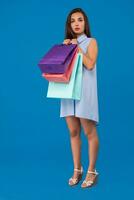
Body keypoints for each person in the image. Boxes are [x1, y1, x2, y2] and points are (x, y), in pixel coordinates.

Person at [60, 8, 100, 188]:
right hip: (68, 93)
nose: (76, 23)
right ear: (69, 25)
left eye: (80, 20)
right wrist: (63, 50)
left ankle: (92, 170)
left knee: (89, 132)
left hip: (85, 93)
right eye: (73, 21)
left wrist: (76, 48)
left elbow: (90, 64)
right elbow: (61, 69)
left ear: (85, 23)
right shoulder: (66, 43)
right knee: (73, 132)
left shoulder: (91, 42)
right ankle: (77, 169)